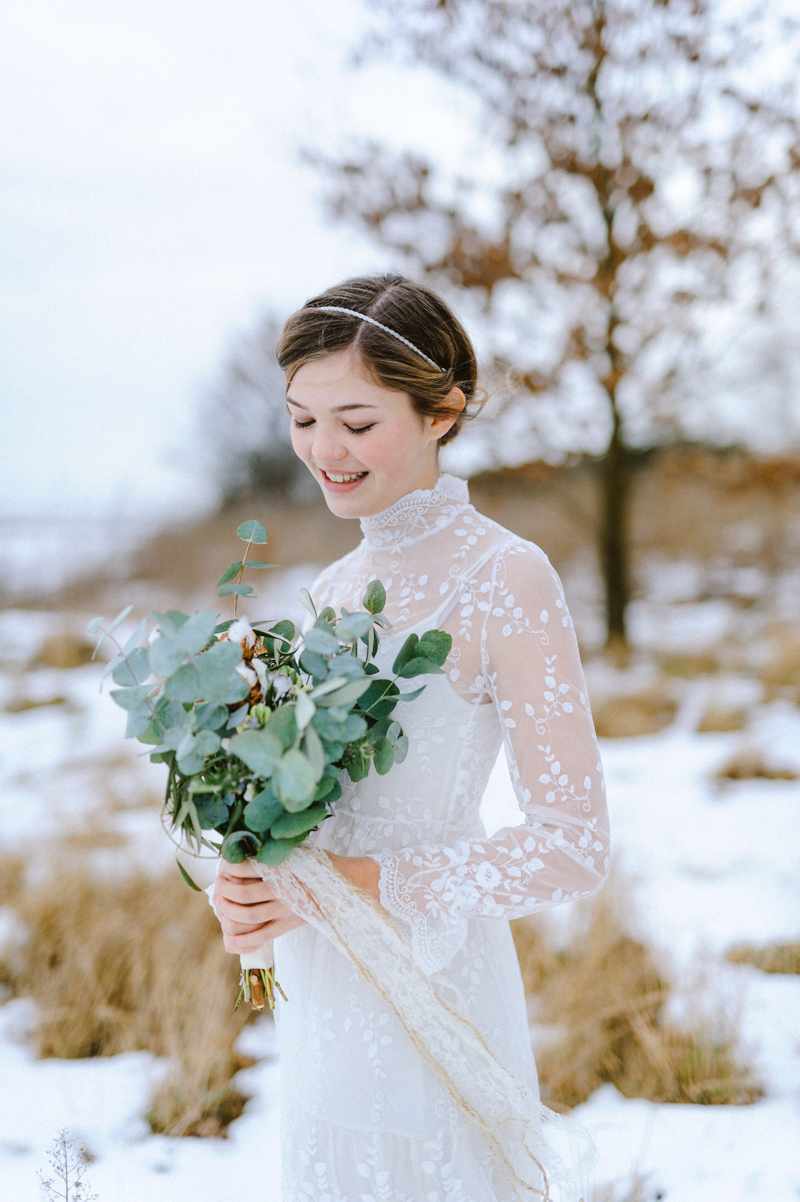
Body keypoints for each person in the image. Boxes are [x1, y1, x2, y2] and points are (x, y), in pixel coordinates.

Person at [212, 274, 610, 1201]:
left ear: (442, 411)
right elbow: (308, 814)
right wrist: (253, 880)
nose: (324, 451)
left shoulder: (507, 576)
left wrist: (372, 886)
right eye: (303, 420)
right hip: (320, 1005)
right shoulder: (325, 596)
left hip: (438, 988)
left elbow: (576, 848)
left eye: (356, 421)